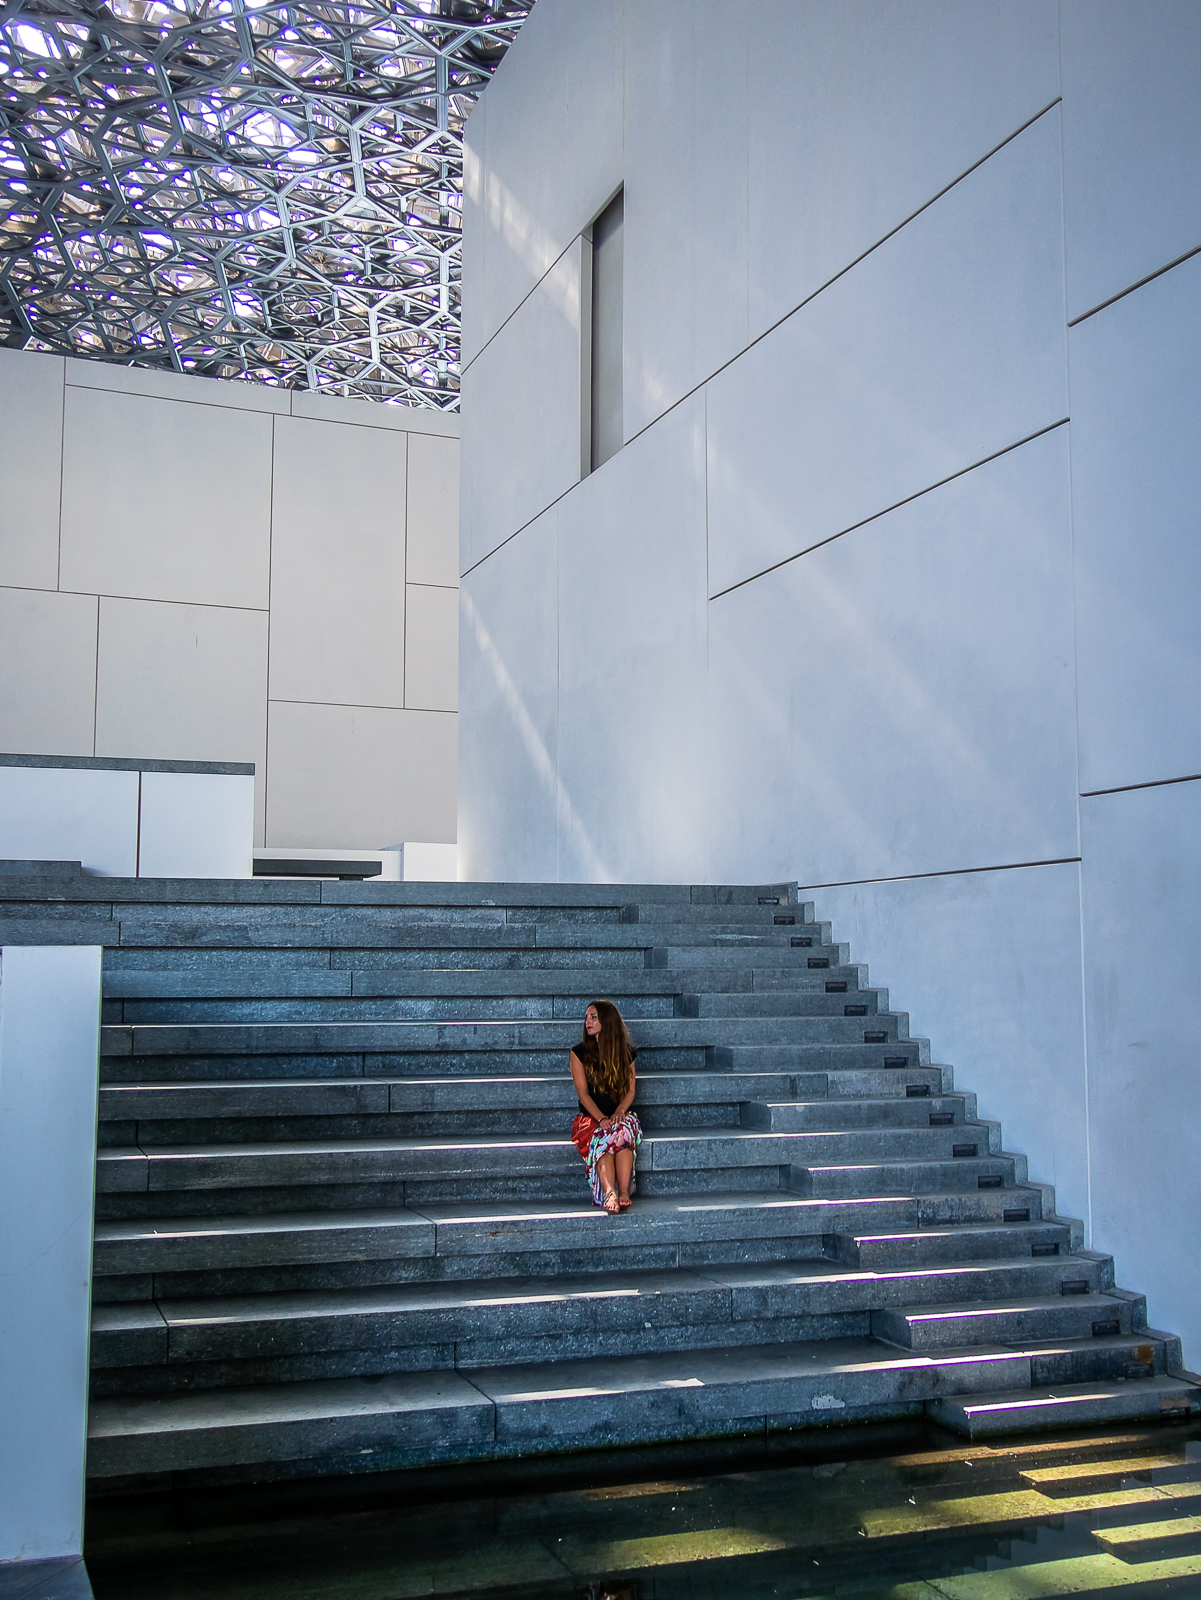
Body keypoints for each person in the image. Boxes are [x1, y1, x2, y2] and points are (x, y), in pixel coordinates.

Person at [569, 999, 642, 1214]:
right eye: (586, 1018)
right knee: (605, 1136)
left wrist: (620, 1111)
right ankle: (610, 1191)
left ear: (607, 1021)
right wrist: (602, 1119)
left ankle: (624, 1193)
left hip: (619, 1113)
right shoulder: (578, 1053)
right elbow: (582, 1094)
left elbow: (630, 1091)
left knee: (622, 1133)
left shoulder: (626, 1052)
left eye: (593, 1017)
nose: (587, 1022)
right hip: (591, 1118)